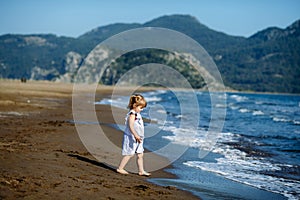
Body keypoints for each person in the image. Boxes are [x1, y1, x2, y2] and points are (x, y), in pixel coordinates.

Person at [116, 94, 151, 176]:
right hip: (132, 136)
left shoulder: (137, 114)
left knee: (140, 154)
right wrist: (135, 135)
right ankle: (120, 168)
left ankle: (141, 170)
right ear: (135, 105)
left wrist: (139, 136)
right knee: (130, 153)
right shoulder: (132, 114)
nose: (141, 110)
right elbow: (131, 126)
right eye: (140, 108)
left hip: (139, 137)